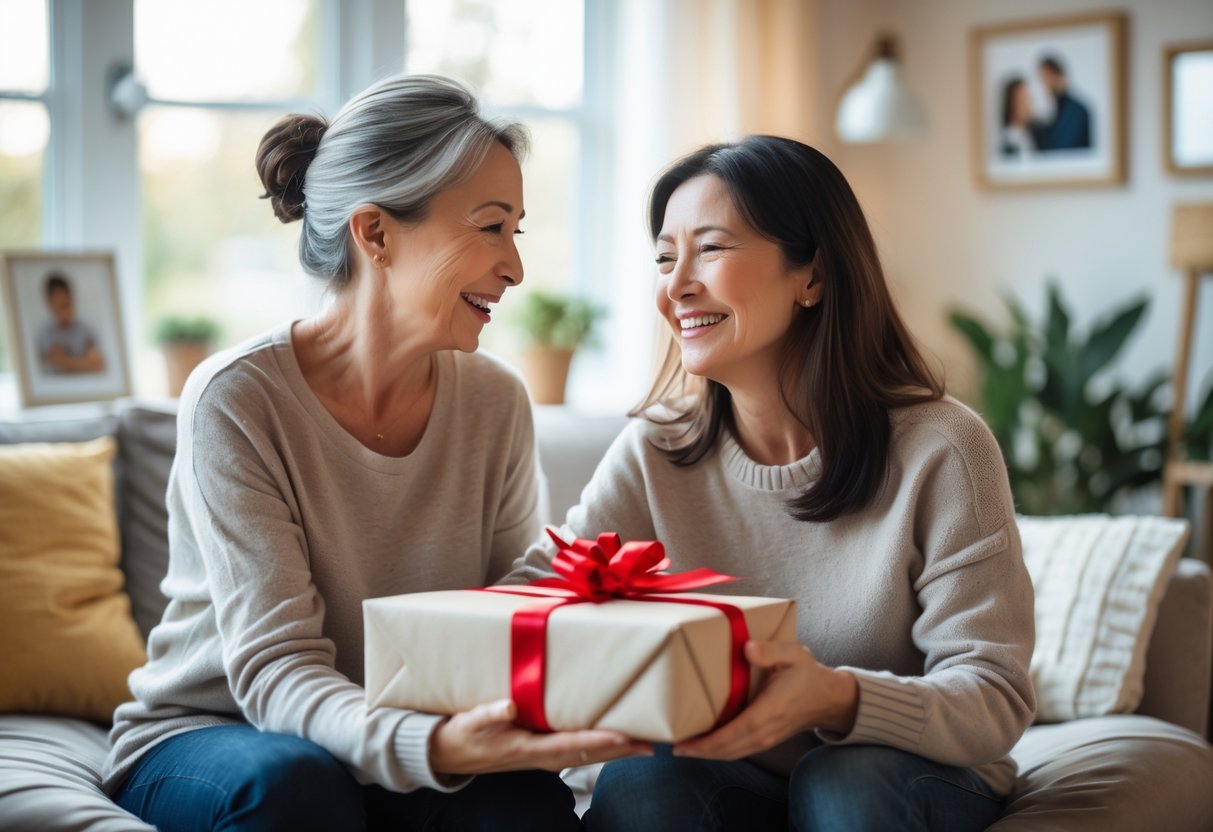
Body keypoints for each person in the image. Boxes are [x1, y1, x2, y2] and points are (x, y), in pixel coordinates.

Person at [101, 74, 645, 832]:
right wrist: (432, 745)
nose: (515, 267)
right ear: (376, 233)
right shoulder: (237, 398)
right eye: (491, 228)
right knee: (295, 789)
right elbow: (276, 670)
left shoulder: (495, 400)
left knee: (526, 809)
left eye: (516, 232)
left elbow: (495, 624)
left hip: (404, 735)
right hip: (219, 734)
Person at [507, 136, 1036, 831]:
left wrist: (835, 699)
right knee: (642, 784)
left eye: (711, 249)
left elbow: (993, 698)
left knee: (841, 780)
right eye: (665, 257)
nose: (676, 286)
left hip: (908, 775)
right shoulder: (655, 450)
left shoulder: (941, 448)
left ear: (811, 274)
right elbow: (539, 593)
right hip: (733, 776)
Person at [38, 272, 106, 375]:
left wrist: (65, 361)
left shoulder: (86, 328)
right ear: (50, 305)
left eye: (66, 304)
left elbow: (97, 365)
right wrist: (83, 363)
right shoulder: (46, 334)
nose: (65, 312)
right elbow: (55, 362)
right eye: (59, 306)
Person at [1031, 54, 1092, 151]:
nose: (1044, 83)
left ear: (1058, 76)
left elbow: (1060, 148)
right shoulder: (1050, 111)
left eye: (1047, 76)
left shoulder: (1077, 112)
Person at [999, 76, 1036, 158]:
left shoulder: (1033, 135)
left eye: (1028, 98)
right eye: (1022, 100)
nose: (1028, 105)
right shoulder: (1007, 141)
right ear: (1011, 105)